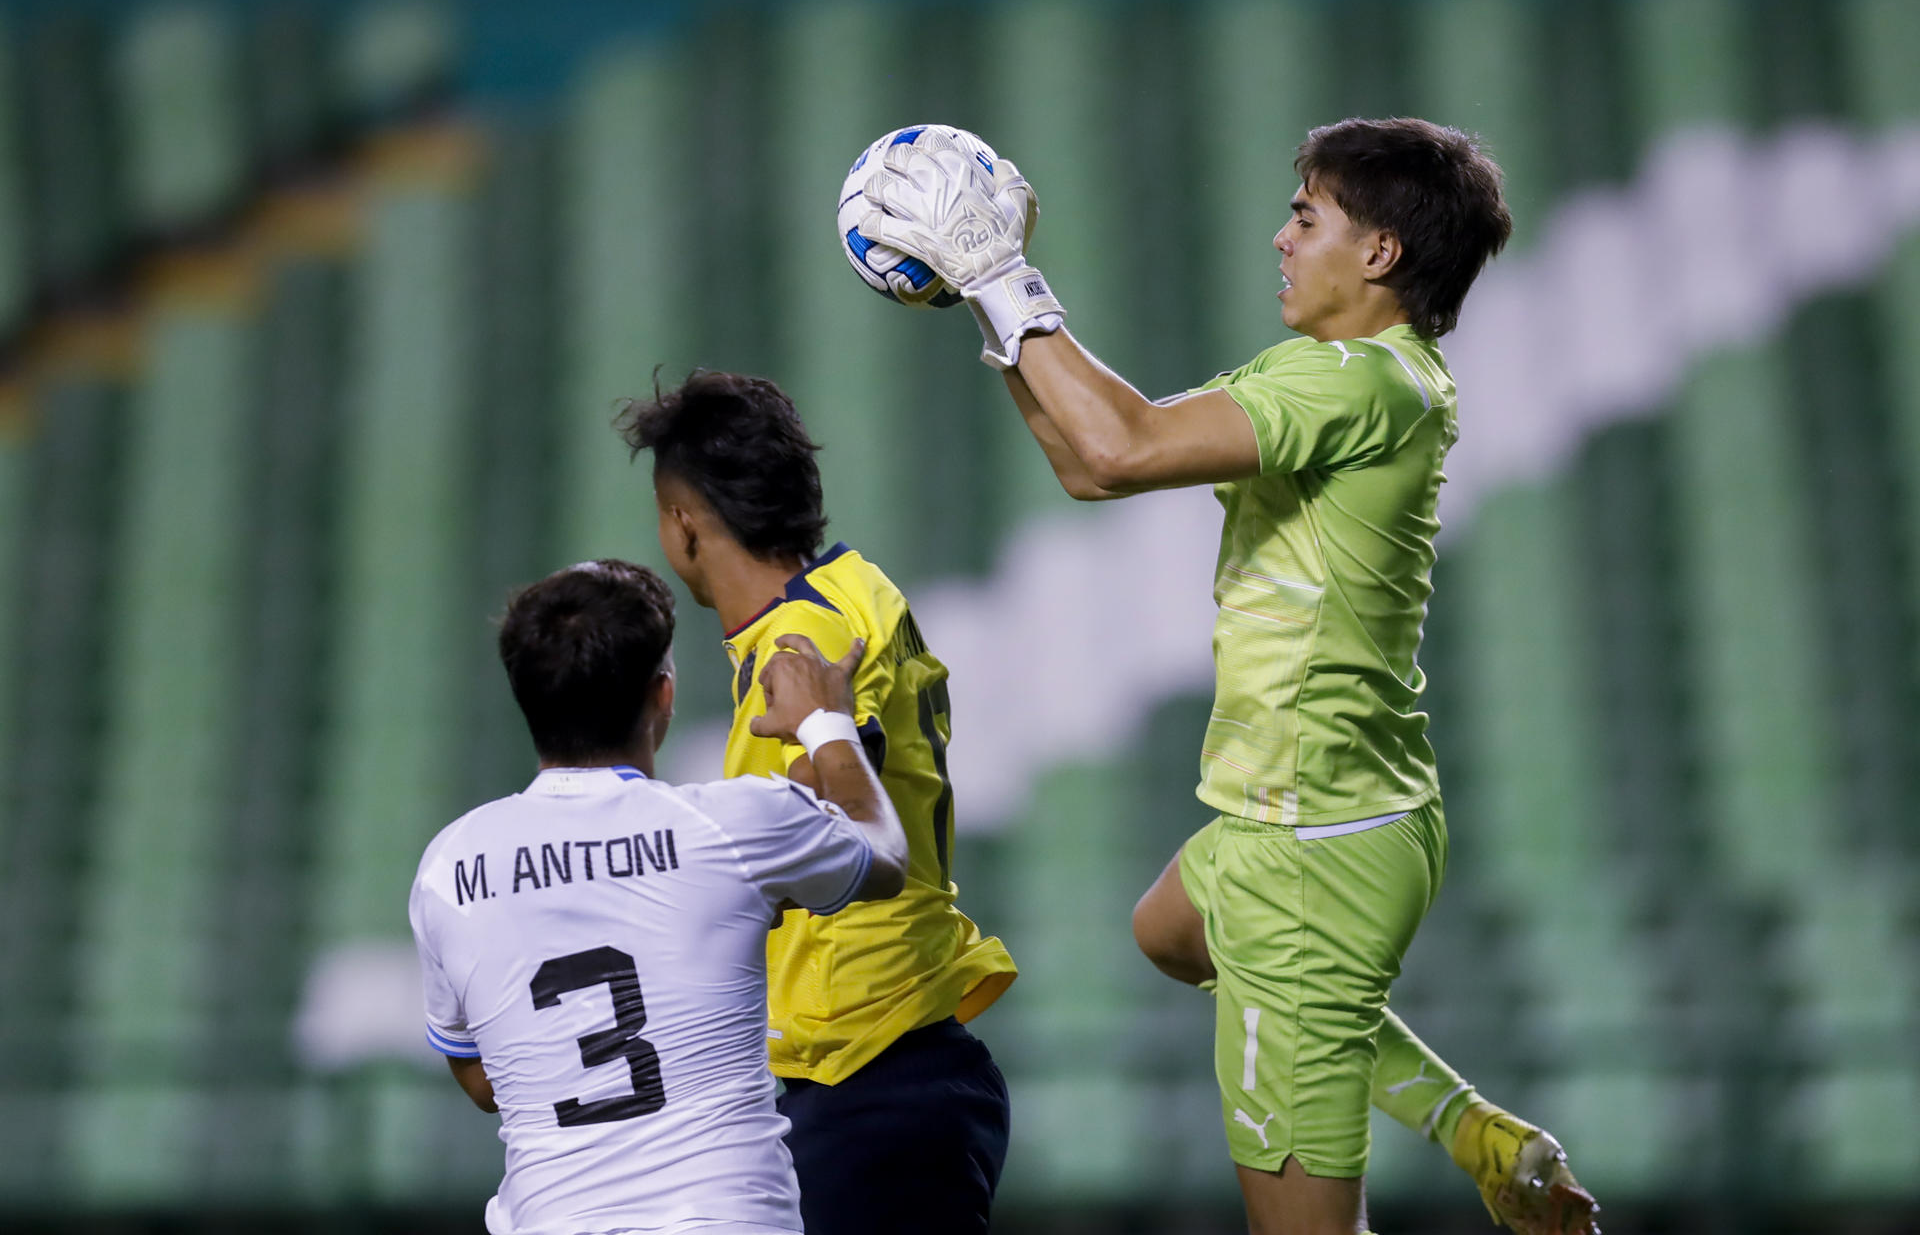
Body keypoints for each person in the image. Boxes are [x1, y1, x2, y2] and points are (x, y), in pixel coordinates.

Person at [859, 118, 1599, 1235]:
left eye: (1307, 217)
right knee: (1173, 930)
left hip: (1308, 850)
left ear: (1381, 254)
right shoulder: (1338, 372)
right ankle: (1479, 1132)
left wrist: (1008, 275)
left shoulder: (1358, 387)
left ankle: (1465, 1131)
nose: (1279, 238)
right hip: (1322, 812)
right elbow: (1089, 465)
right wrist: (984, 296)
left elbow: (1122, 446)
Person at [617, 371, 1018, 1235]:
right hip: (910, 1058)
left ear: (683, 524)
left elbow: (842, 805)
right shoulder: (857, 588)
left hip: (858, 1072)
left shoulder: (794, 657)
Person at [407, 558, 909, 1235]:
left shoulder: (449, 866)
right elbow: (882, 853)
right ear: (662, 694)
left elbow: (483, 1083)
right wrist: (826, 725)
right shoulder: (733, 825)